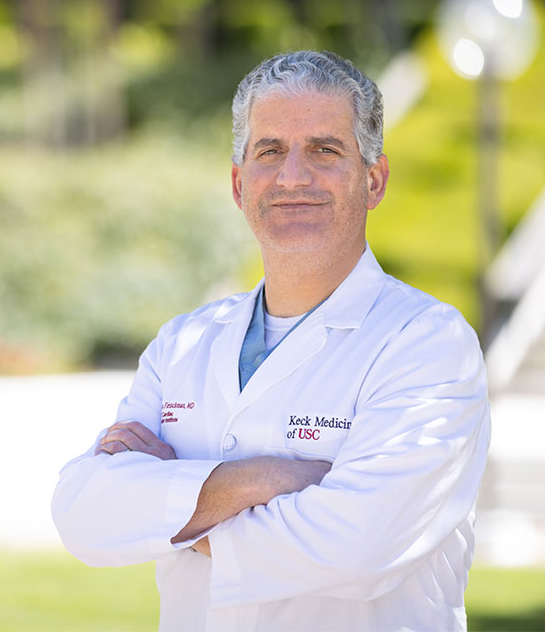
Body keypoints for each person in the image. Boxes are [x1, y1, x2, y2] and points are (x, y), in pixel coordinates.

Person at [51, 50, 491, 632]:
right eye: (270, 151)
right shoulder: (183, 343)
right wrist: (264, 479)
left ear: (374, 179)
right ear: (239, 183)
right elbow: (84, 514)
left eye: (325, 150)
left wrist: (169, 507)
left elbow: (354, 548)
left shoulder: (427, 344)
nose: (293, 177)